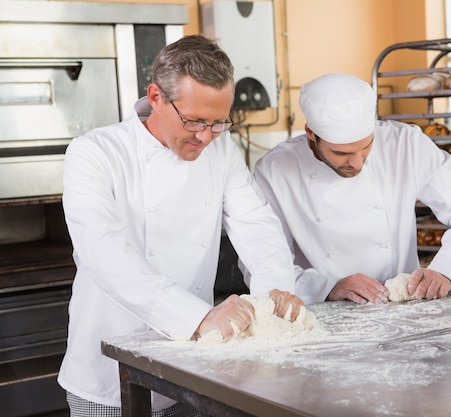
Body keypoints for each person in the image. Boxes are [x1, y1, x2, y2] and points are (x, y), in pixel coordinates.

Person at [58, 35, 303, 417]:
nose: (206, 136)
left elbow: (255, 223)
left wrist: (275, 289)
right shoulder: (95, 153)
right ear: (155, 96)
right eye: (194, 121)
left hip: (189, 369)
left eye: (219, 123)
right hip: (108, 372)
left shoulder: (222, 150)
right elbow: (102, 252)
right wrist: (198, 317)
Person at [248, 72, 451, 306]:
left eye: (366, 147)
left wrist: (448, 268)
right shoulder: (275, 170)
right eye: (341, 153)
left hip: (405, 306)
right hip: (325, 313)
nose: (356, 163)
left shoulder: (405, 144)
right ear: (311, 134)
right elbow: (260, 263)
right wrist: (326, 288)